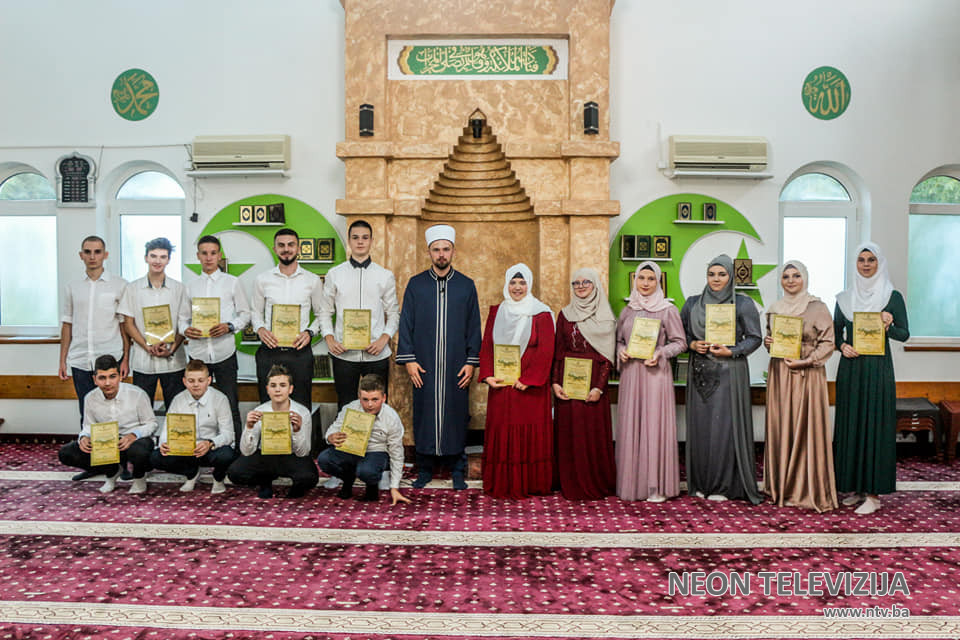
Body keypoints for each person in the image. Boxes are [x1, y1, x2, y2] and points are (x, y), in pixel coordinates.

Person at [396, 224, 482, 490]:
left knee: (456, 414)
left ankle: (457, 468)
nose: (441, 254)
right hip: (424, 365)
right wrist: (409, 360)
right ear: (429, 252)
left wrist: (471, 362)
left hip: (456, 365)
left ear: (453, 251)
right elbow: (405, 323)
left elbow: (474, 326)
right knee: (424, 413)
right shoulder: (416, 284)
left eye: (446, 249)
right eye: (436, 250)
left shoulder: (466, 286)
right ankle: (424, 468)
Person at [680, 254, 762, 504]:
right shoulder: (692, 303)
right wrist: (692, 344)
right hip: (699, 374)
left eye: (722, 274)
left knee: (725, 429)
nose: (716, 279)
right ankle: (701, 483)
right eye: (711, 274)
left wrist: (733, 351)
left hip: (730, 373)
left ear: (731, 276)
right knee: (701, 429)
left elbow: (755, 337)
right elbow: (681, 335)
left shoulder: (743, 303)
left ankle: (725, 485)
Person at [833, 243, 909, 515]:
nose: (866, 264)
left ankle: (874, 495)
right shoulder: (844, 298)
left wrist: (888, 325)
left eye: (871, 259)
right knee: (851, 426)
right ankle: (856, 488)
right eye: (861, 260)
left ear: (880, 263)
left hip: (878, 370)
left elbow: (904, 334)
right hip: (851, 369)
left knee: (874, 427)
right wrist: (842, 347)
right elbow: (835, 335)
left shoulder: (892, 297)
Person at [762, 261, 837, 512]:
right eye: (786, 276)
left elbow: (828, 343)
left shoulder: (817, 307)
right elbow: (771, 341)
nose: (791, 280)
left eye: (796, 275)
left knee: (806, 428)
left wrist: (806, 361)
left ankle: (805, 489)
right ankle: (782, 488)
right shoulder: (774, 309)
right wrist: (768, 342)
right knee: (782, 426)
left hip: (807, 375)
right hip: (781, 374)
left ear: (804, 278)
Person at [479, 263, 555, 499]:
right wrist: (487, 375)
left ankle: (531, 484)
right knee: (503, 431)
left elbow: (547, 350)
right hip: (502, 386)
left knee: (528, 434)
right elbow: (487, 346)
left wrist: (529, 379)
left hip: (529, 390)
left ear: (529, 284)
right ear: (507, 284)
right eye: (513, 282)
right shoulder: (497, 312)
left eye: (522, 282)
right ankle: (504, 483)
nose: (517, 287)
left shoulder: (541, 313)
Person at [58, 235, 129, 481]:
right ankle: (98, 465)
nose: (92, 256)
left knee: (118, 413)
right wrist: (62, 359)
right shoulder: (72, 287)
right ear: (81, 255)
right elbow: (67, 324)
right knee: (87, 412)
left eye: (97, 252)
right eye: (87, 252)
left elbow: (124, 325)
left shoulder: (119, 285)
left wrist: (126, 359)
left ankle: (122, 465)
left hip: (110, 358)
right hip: (80, 359)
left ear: (105, 255)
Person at [615, 262, 686, 502]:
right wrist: (621, 351)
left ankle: (656, 486)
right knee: (632, 426)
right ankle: (634, 485)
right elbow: (618, 341)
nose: (645, 283)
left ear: (658, 282)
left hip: (655, 375)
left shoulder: (668, 309)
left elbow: (680, 343)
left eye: (651, 279)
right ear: (635, 280)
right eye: (641, 278)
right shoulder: (628, 310)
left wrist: (660, 353)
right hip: (631, 375)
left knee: (654, 427)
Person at [551, 267, 616, 500]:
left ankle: (593, 482)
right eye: (576, 283)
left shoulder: (606, 316)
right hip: (568, 383)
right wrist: (555, 383)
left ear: (595, 285)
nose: (580, 287)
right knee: (570, 435)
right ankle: (569, 482)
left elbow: (607, 357)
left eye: (586, 282)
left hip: (594, 385)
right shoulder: (565, 314)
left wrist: (599, 387)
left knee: (590, 436)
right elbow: (558, 351)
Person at [319, 220, 400, 408]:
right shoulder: (334, 274)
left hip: (376, 354)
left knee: (377, 407)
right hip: (344, 354)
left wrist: (384, 339)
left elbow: (393, 313)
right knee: (345, 405)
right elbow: (325, 311)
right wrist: (329, 338)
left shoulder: (385, 275)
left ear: (372, 241)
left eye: (365, 237)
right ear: (349, 241)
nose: (360, 242)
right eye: (355, 237)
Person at [181, 235, 251, 446]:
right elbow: (182, 319)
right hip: (198, 355)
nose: (209, 257)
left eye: (213, 253)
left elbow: (245, 314)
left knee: (230, 404)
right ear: (198, 256)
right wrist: (186, 330)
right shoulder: (190, 286)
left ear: (219, 255)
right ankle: (199, 448)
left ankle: (236, 451)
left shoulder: (232, 282)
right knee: (196, 405)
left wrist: (229, 326)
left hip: (224, 353)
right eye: (204, 253)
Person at [58, 355, 157, 494]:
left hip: (134, 441)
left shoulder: (137, 394)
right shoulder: (90, 398)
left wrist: (134, 435)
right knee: (67, 453)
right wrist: (84, 437)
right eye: (102, 378)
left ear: (120, 377)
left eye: (112, 376)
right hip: (107, 444)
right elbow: (88, 426)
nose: (108, 383)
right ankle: (112, 472)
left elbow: (152, 424)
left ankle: (139, 478)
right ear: (95, 379)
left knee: (140, 450)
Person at [251, 228, 323, 411]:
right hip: (270, 351)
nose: (286, 249)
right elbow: (255, 312)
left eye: (291, 245)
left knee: (301, 405)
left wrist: (310, 332)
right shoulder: (262, 279)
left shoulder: (312, 280)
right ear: (275, 249)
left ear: (298, 248)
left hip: (299, 353)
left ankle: (300, 432)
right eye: (281, 245)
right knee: (268, 406)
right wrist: (261, 329)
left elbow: (322, 314)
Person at [227, 364, 318, 499]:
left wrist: (297, 431)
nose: (278, 390)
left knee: (309, 478)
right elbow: (246, 452)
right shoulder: (259, 411)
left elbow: (303, 452)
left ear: (290, 389)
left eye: (282, 385)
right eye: (273, 386)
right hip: (265, 455)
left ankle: (296, 487)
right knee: (235, 473)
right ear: (267, 390)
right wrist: (249, 427)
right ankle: (264, 481)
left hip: (291, 455)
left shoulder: (302, 412)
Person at [318, 374, 411, 505]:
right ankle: (348, 478)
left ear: (384, 398)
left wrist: (394, 487)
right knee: (324, 459)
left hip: (377, 452)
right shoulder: (350, 408)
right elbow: (333, 428)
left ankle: (372, 484)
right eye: (365, 399)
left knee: (367, 471)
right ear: (359, 397)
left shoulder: (391, 418)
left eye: (375, 399)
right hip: (351, 449)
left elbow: (397, 453)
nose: (370, 405)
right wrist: (330, 437)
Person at [119, 237, 188, 412]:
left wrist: (171, 349)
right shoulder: (132, 288)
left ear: (168, 260)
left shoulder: (179, 288)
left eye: (163, 257)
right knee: (141, 412)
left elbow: (184, 322)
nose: (158, 261)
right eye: (153, 256)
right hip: (143, 361)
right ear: (146, 258)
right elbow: (128, 324)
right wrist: (147, 346)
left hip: (173, 361)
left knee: (177, 411)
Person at [149, 359, 237, 494]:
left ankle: (218, 478)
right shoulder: (178, 399)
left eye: (201, 380)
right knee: (156, 457)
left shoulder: (220, 399)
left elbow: (228, 434)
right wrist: (164, 444)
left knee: (227, 454)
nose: (196, 385)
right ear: (184, 381)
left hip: (210, 448)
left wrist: (210, 443)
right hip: (186, 450)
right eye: (191, 381)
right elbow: (167, 429)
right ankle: (191, 473)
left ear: (209, 380)